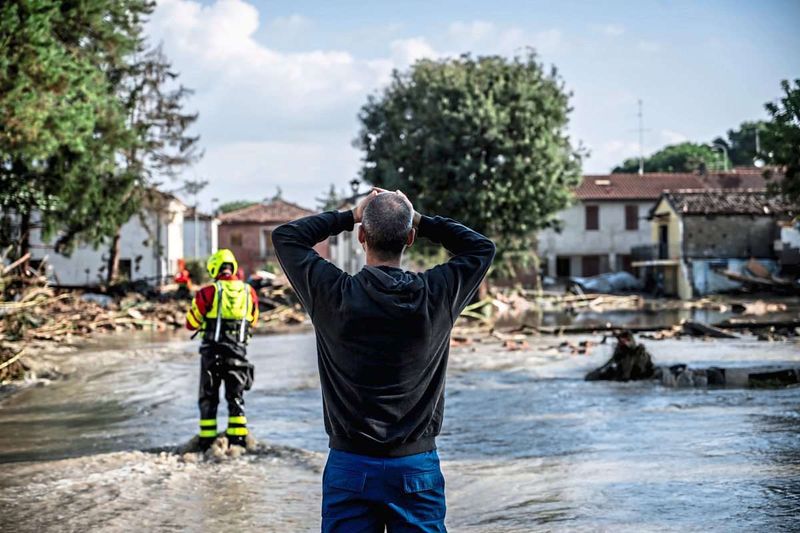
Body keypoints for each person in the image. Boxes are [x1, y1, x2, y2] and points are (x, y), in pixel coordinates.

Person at [273, 189, 495, 532]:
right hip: (415, 467)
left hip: (350, 465)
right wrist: (418, 217)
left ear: (361, 236)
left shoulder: (333, 295)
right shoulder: (436, 296)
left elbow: (287, 236)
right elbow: (481, 247)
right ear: (410, 238)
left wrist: (350, 214)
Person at [185, 249, 259, 449]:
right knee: (236, 397)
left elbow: (191, 323)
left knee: (208, 398)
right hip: (238, 354)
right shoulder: (248, 292)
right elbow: (253, 320)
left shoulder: (208, 292)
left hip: (212, 355)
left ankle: (207, 442)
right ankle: (238, 443)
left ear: (214, 268)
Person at [585, 330, 656, 381]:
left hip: (637, 376)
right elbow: (609, 363)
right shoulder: (620, 352)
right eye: (620, 341)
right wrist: (598, 371)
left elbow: (647, 368)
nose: (619, 343)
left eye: (622, 341)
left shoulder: (641, 353)